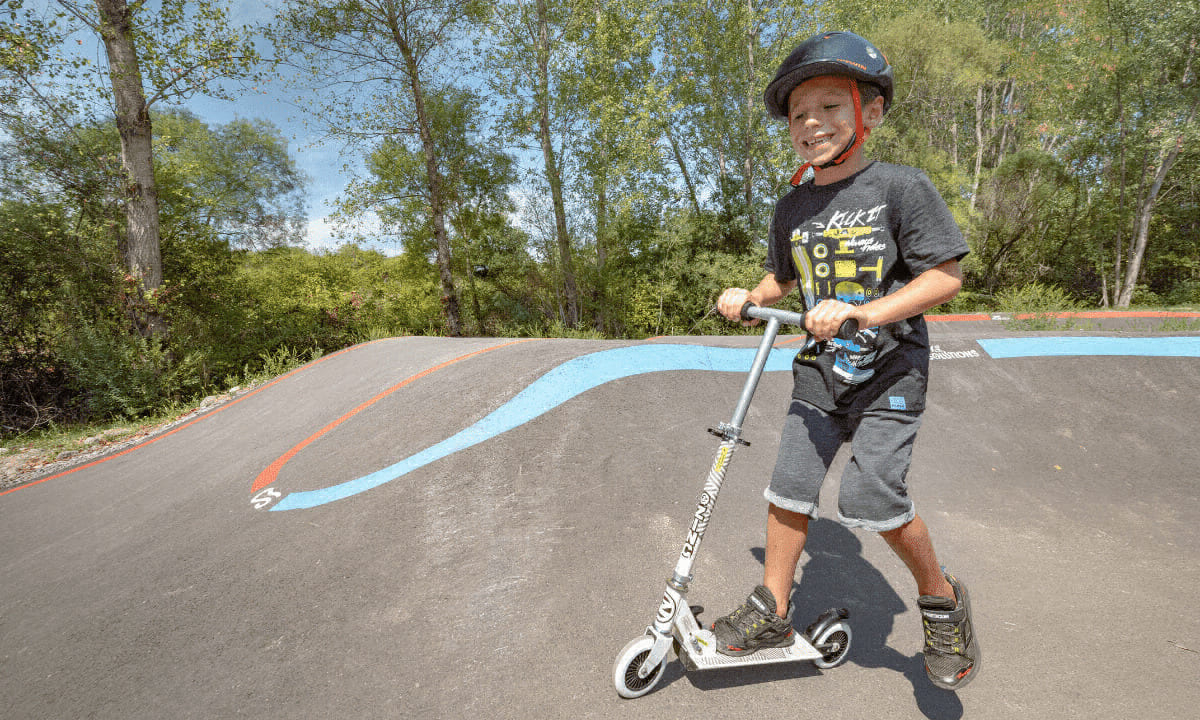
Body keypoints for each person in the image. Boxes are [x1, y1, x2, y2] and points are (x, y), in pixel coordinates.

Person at [711, 30, 979, 691]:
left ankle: (942, 600)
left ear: (872, 112)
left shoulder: (900, 189)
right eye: (800, 114)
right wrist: (749, 296)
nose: (811, 124)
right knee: (788, 489)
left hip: (890, 370)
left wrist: (865, 313)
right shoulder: (793, 206)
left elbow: (944, 278)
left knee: (871, 499)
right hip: (818, 371)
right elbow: (784, 281)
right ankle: (773, 609)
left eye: (831, 107)